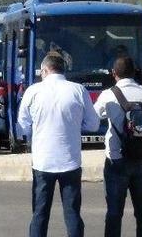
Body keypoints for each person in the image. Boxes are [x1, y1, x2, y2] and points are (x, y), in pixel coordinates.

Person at [17, 53, 100, 237]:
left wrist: (33, 136)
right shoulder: (78, 90)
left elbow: (22, 126)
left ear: (45, 70)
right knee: (72, 213)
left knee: (39, 214)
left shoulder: (33, 91)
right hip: (70, 161)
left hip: (42, 162)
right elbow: (93, 124)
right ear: (63, 69)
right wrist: (76, 125)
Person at [94, 57, 142, 237]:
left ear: (114, 74)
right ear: (134, 73)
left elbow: (94, 118)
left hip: (116, 159)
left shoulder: (109, 94)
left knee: (115, 211)